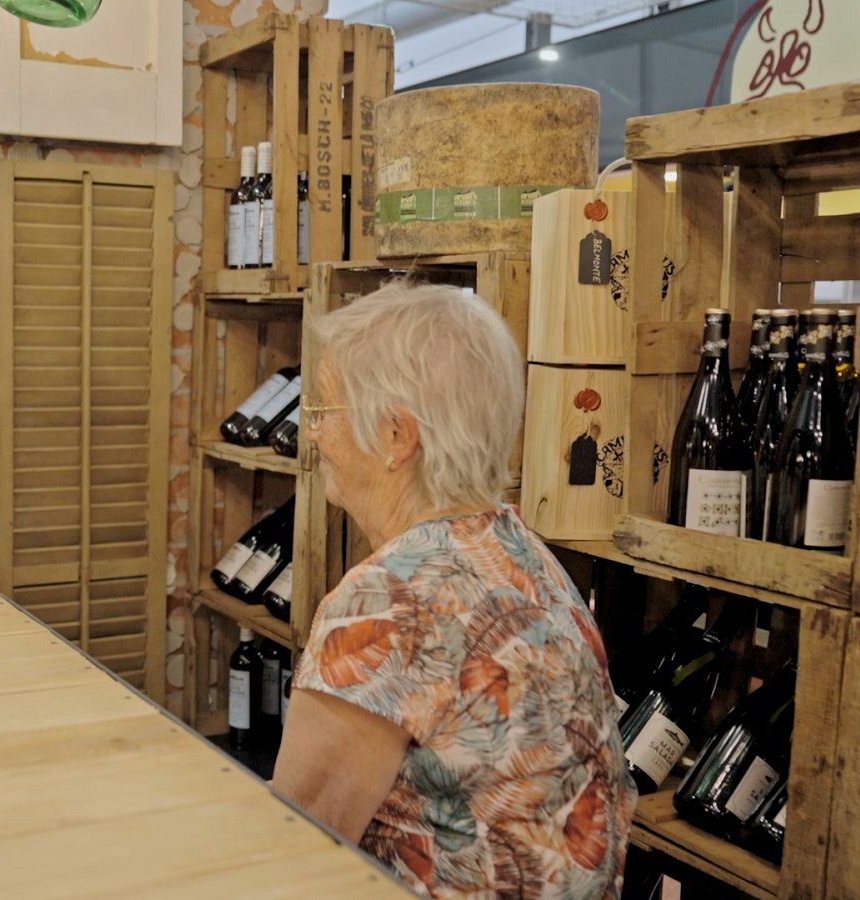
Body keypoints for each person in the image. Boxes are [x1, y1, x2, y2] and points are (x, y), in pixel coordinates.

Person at [272, 282, 636, 898]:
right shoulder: (520, 550)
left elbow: (291, 850)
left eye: (324, 412)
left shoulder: (390, 601)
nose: (313, 436)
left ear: (395, 436)